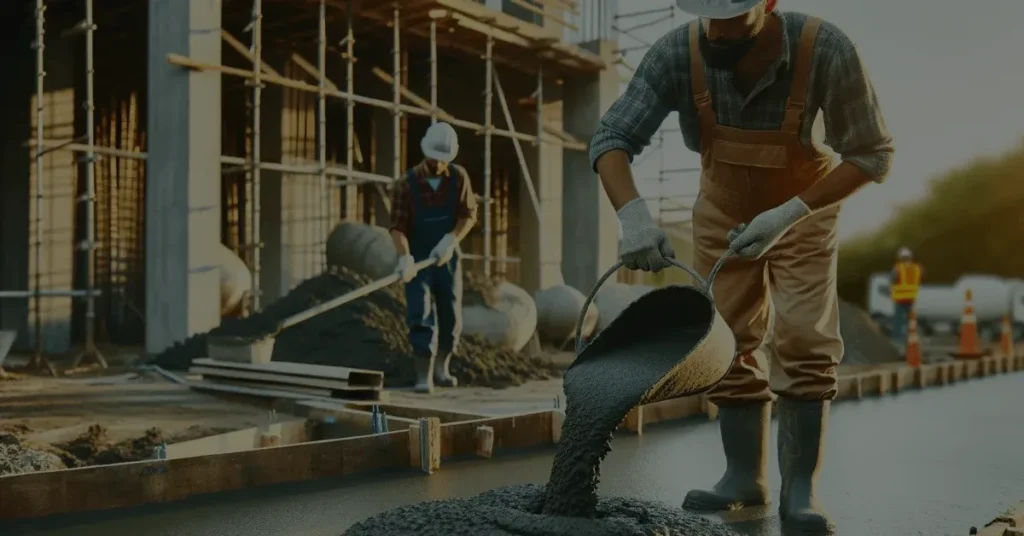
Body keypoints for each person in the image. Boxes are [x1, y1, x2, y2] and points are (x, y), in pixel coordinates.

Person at [589, 0, 893, 533]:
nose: (717, 30)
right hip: (721, 210)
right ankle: (742, 477)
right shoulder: (679, 53)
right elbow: (610, 137)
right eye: (708, 14)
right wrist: (634, 217)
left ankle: (801, 492)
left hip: (804, 212)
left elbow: (872, 154)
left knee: (803, 336)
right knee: (726, 335)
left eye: (732, 16)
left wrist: (792, 212)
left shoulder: (826, 49)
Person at [389, 122, 478, 394]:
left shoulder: (459, 177)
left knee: (450, 315)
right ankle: (423, 373)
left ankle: (443, 366)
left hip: (447, 257)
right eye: (434, 158)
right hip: (418, 261)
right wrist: (405, 257)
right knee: (421, 313)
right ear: (425, 152)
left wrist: (451, 240)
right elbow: (397, 227)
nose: (438, 164)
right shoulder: (406, 183)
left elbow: (468, 214)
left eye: (443, 159)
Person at [890, 247, 922, 345]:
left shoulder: (898, 268)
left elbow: (892, 279)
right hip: (911, 298)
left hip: (900, 299)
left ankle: (897, 342)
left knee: (898, 323)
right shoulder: (916, 268)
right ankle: (912, 340)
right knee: (911, 321)